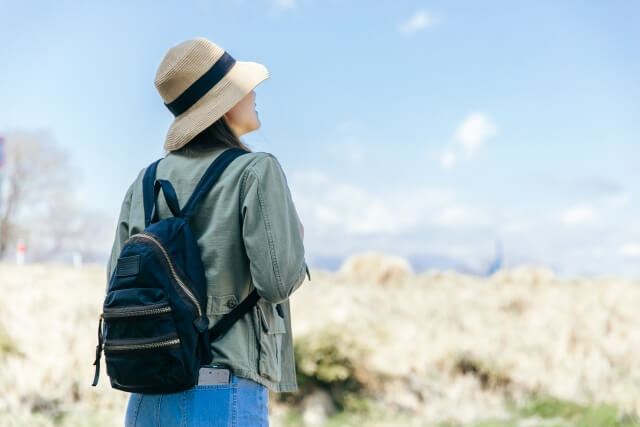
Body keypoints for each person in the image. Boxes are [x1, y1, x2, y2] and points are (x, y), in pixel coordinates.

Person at [106, 37, 309, 427]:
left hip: (147, 394)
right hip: (223, 391)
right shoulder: (255, 171)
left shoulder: (145, 182)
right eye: (242, 88)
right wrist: (295, 238)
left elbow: (117, 286)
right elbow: (278, 282)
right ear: (224, 103)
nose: (253, 94)